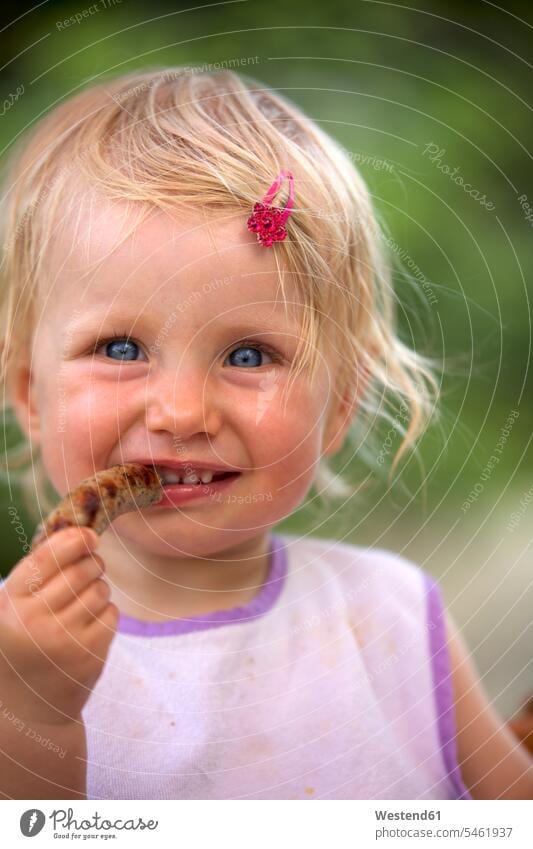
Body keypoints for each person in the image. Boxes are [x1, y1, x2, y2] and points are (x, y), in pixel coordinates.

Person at [0, 68, 530, 801]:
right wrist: (34, 712)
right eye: (121, 348)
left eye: (250, 355)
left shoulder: (391, 614)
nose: (182, 412)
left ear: (338, 403)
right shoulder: (12, 650)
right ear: (30, 392)